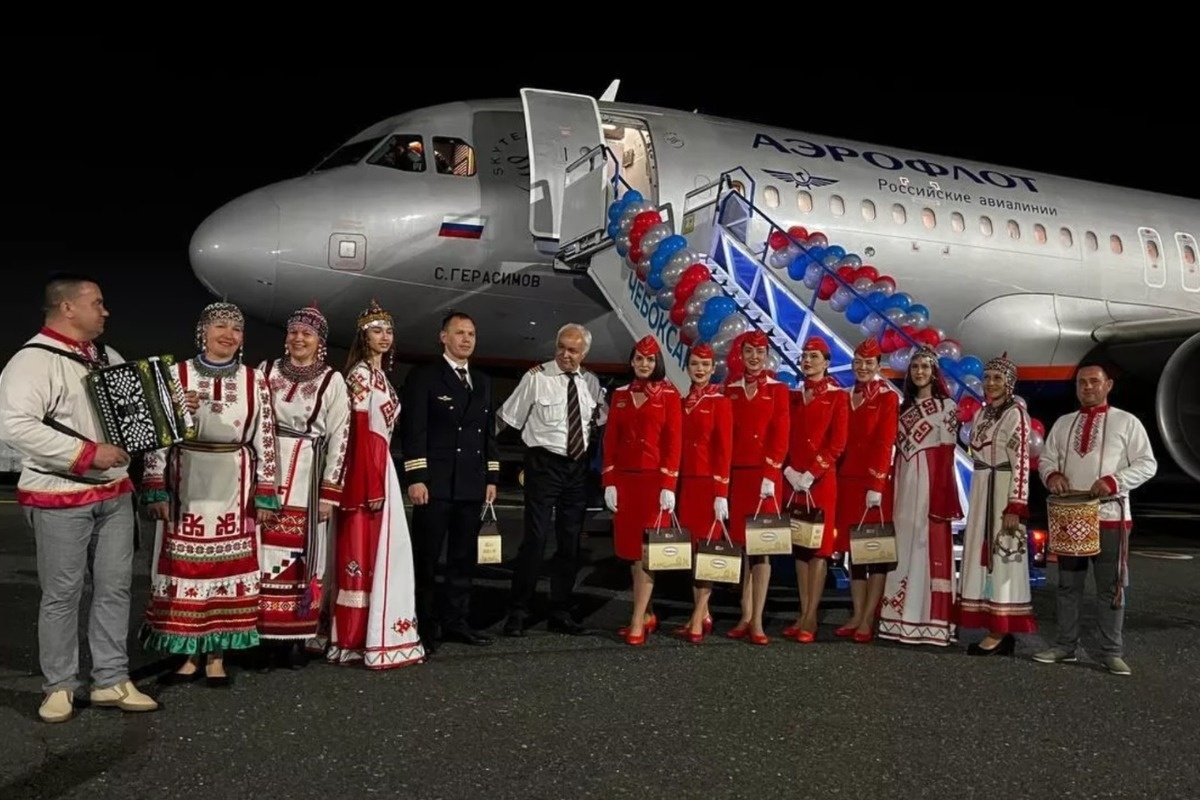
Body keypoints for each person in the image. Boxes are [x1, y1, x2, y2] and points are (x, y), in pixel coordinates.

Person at [0, 273, 158, 723]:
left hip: (113, 492)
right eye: (97, 302)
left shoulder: (109, 357)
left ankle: (110, 679)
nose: (105, 311)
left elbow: (134, 413)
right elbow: (15, 425)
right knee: (62, 594)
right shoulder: (32, 361)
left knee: (115, 588)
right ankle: (60, 685)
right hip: (60, 494)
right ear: (67, 308)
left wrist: (163, 408)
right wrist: (86, 454)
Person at [141, 302, 281, 686]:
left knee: (227, 570)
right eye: (220, 326)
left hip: (234, 485)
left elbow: (265, 438)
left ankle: (217, 655)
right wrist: (155, 487)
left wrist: (266, 492)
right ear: (203, 331)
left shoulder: (254, 380)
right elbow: (158, 435)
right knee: (183, 568)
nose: (228, 335)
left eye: (236, 329)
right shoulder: (176, 374)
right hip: (186, 481)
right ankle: (188, 653)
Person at [1033, 364, 1157, 675]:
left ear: (1108, 385)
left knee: (1111, 587)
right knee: (1068, 585)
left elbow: (1147, 464)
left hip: (1110, 516)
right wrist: (1053, 475)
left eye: (1094, 381)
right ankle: (1065, 646)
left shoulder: (1127, 422)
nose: (1087, 387)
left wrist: (1115, 481)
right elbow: (1046, 459)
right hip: (1070, 515)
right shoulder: (1064, 423)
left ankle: (1111, 651)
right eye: (1081, 382)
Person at [327, 300, 426, 668]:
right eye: (376, 331)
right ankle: (355, 637)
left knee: (380, 553)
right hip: (368, 469)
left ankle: (377, 631)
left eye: (388, 331)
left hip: (381, 464)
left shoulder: (379, 376)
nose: (384, 336)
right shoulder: (359, 376)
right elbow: (357, 433)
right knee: (362, 553)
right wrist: (368, 484)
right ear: (363, 337)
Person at [256, 306, 352, 668]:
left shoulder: (332, 380)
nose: (299, 338)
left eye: (307, 334)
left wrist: (330, 491)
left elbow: (341, 435)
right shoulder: (265, 371)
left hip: (306, 477)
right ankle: (260, 635)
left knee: (301, 558)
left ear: (319, 341)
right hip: (265, 471)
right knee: (263, 554)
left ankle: (294, 636)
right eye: (294, 332)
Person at [499, 322, 608, 637]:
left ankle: (560, 610)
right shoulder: (536, 378)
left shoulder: (591, 382)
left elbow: (599, 420)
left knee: (570, 543)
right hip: (544, 465)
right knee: (535, 539)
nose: (565, 354)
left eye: (573, 350)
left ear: (584, 353)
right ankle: (518, 611)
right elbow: (507, 418)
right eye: (561, 347)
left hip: (576, 469)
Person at [401, 310, 500, 653]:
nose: (466, 339)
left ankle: (456, 621)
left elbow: (488, 434)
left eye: (471, 334)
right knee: (427, 560)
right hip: (436, 484)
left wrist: (491, 476)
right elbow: (414, 431)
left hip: (471, 483)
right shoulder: (425, 377)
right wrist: (416, 477)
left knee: (463, 559)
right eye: (459, 333)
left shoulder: (482, 381)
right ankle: (423, 625)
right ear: (443, 337)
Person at [878, 345, 963, 646]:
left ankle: (927, 621)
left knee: (923, 545)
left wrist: (942, 496)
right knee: (902, 544)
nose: (919, 372)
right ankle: (896, 618)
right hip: (903, 482)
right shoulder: (904, 408)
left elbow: (946, 455)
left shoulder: (946, 407)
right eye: (915, 367)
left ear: (934, 372)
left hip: (928, 484)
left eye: (925, 367)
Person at [601, 336, 682, 645]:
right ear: (632, 361)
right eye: (639, 359)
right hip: (625, 480)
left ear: (657, 363)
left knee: (647, 552)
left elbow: (673, 443)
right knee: (632, 552)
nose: (644, 364)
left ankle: (637, 619)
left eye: (649, 359)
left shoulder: (669, 395)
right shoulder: (620, 395)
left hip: (653, 482)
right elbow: (611, 440)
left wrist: (669, 484)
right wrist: (609, 481)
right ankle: (646, 613)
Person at [959, 352, 1037, 655]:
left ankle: (1000, 630)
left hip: (1002, 489)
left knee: (1003, 557)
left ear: (1009, 383)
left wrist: (1015, 504)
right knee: (982, 558)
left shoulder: (1016, 414)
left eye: (997, 378)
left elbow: (1021, 462)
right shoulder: (982, 414)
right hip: (982, 489)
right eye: (987, 377)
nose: (990, 383)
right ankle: (994, 624)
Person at [723, 329, 790, 645]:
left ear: (767, 356)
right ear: (741, 354)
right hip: (737, 475)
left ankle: (758, 620)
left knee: (762, 550)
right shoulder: (730, 389)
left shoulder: (778, 389)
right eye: (749, 351)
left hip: (765, 478)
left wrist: (771, 472)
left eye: (760, 352)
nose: (754, 357)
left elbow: (781, 433)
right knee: (741, 546)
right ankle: (745, 613)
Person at [781, 335, 848, 643]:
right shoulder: (794, 396)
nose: (807, 361)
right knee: (800, 546)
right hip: (794, 480)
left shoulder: (837, 397)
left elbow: (837, 443)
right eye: (805, 356)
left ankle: (811, 616)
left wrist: (812, 472)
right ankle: (802, 610)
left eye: (814, 357)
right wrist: (789, 470)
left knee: (819, 549)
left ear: (826, 362)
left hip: (820, 482)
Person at [835, 338, 900, 643]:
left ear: (878, 366)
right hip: (847, 479)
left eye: (869, 363)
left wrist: (877, 483)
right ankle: (857, 612)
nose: (863, 367)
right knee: (854, 551)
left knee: (874, 551)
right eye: (858, 362)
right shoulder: (845, 395)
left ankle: (868, 616)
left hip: (874, 482)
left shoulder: (888, 398)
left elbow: (885, 442)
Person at [674, 344, 732, 643]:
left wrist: (721, 491)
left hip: (709, 484)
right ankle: (703, 612)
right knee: (694, 551)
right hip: (686, 484)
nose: (699, 369)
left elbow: (724, 449)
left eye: (705, 365)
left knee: (707, 552)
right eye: (695, 364)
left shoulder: (720, 402)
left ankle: (697, 617)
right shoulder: (682, 402)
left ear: (713, 369)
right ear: (688, 367)